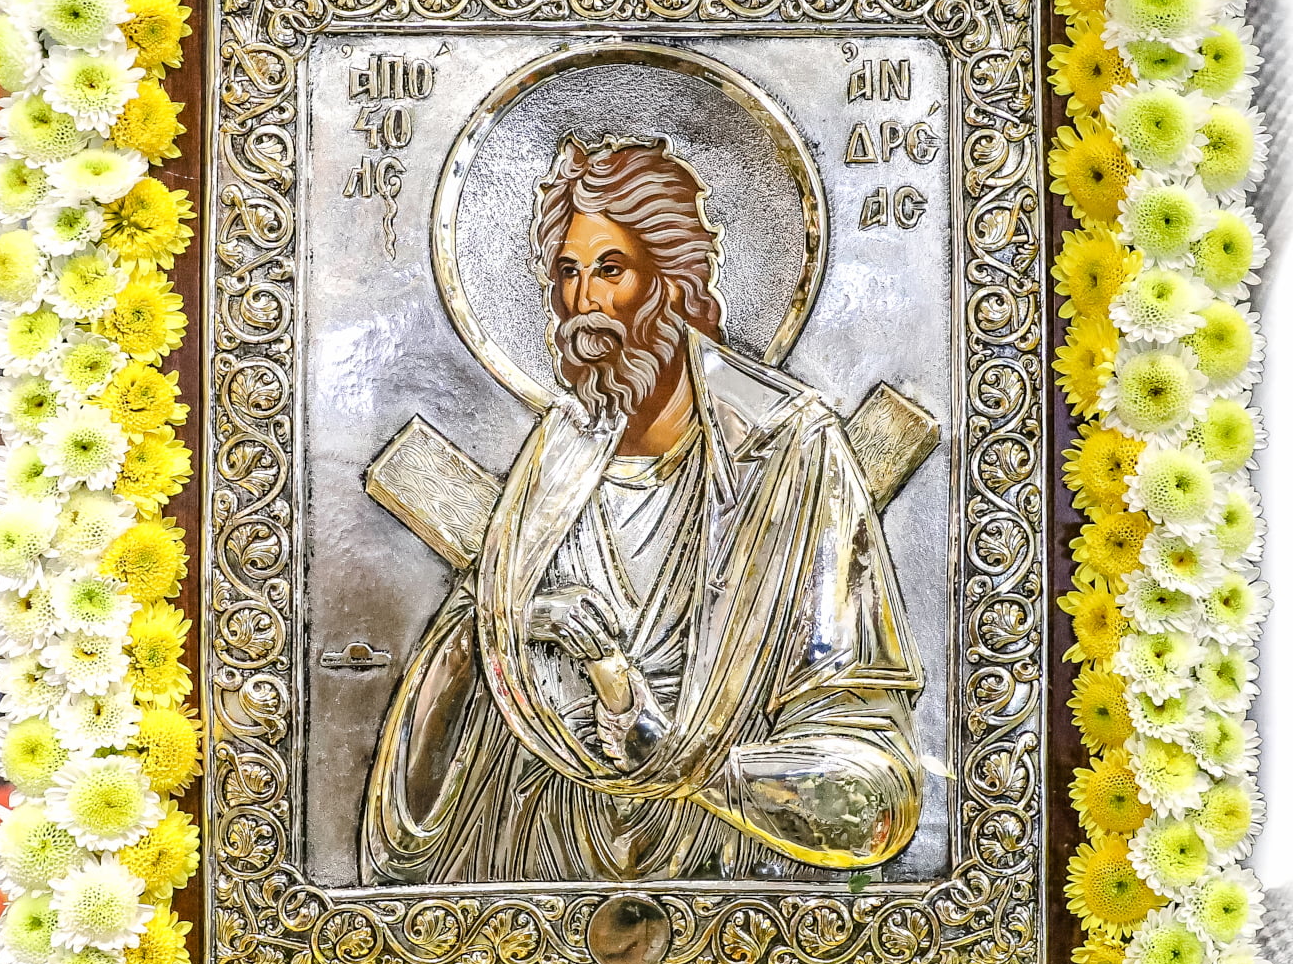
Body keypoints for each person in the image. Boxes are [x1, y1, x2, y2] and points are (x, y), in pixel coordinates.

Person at [361, 134, 924, 883]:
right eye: (566, 272)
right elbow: (433, 742)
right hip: (542, 868)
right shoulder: (556, 457)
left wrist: (668, 752)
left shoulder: (790, 451)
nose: (581, 302)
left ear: (671, 283)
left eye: (610, 269)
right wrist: (520, 622)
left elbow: (872, 792)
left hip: (730, 880)